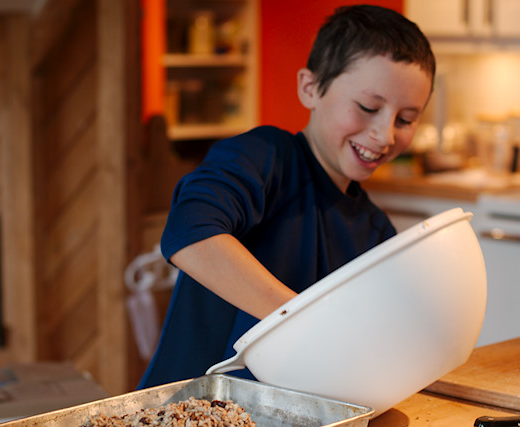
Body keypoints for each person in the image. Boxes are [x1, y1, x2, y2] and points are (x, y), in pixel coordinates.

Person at [139, 4, 435, 388]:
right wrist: (298, 318)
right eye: (368, 107)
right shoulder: (261, 158)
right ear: (310, 88)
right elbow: (189, 235)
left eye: (405, 119)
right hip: (187, 409)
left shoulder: (378, 232)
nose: (386, 134)